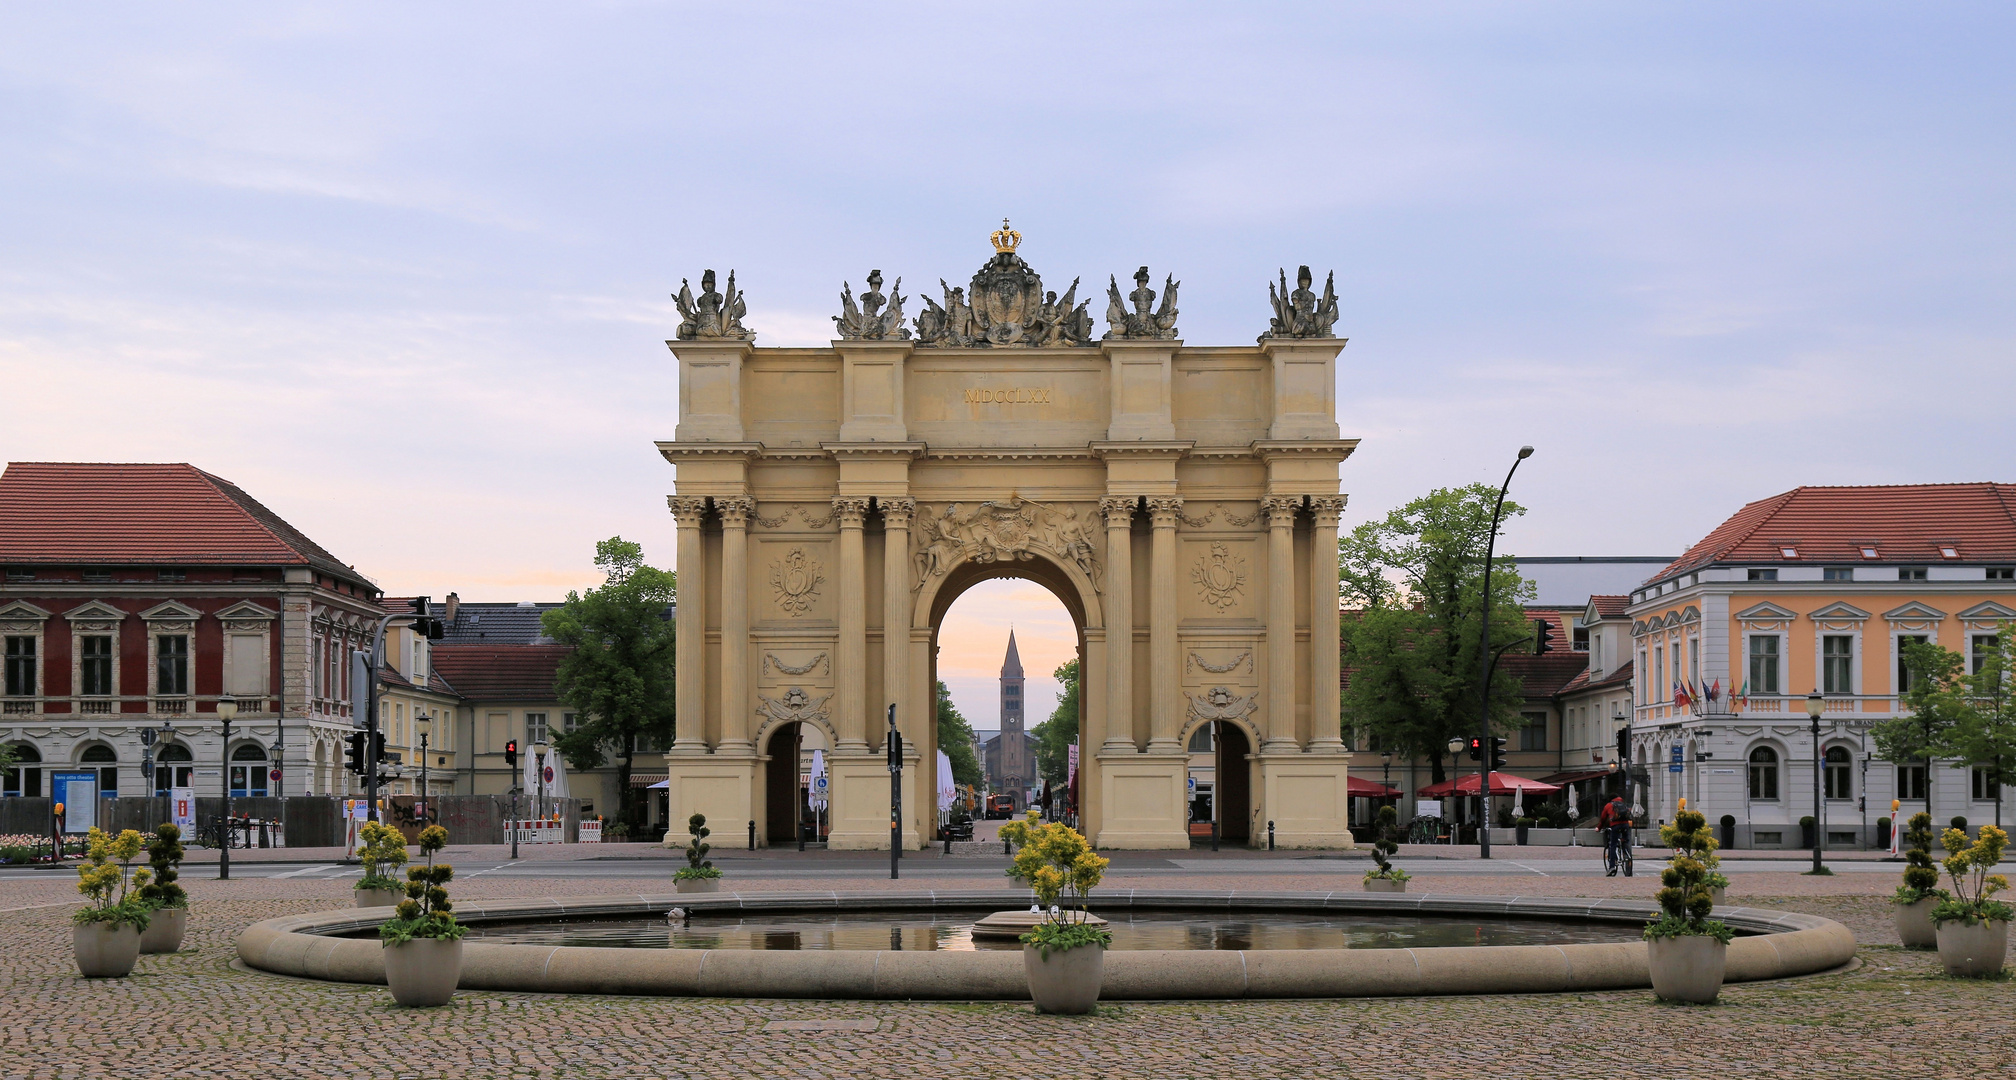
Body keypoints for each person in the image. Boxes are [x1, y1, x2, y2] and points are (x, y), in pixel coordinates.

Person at [1599, 794, 1634, 876]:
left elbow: (1603, 818)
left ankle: (1612, 867)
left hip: (1615, 826)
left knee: (1613, 844)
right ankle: (1627, 858)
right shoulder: (1623, 804)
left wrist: (1599, 828)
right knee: (1626, 842)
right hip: (1626, 825)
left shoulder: (1608, 805)